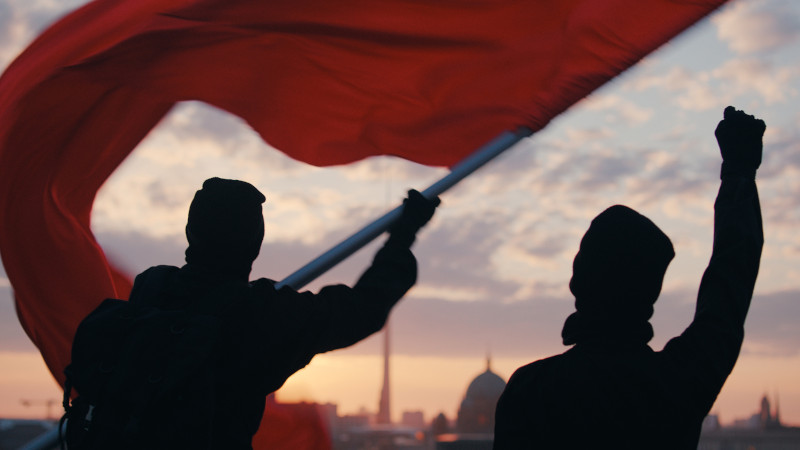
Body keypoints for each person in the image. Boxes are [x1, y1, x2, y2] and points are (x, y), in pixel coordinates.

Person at [493, 106, 765, 449]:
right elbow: (731, 280)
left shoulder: (532, 389)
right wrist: (739, 174)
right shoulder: (676, 382)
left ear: (577, 282)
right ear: (650, 290)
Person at [128, 179, 438, 449]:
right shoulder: (265, 316)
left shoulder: (150, 289)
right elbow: (364, 308)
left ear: (189, 231)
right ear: (256, 242)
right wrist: (403, 236)